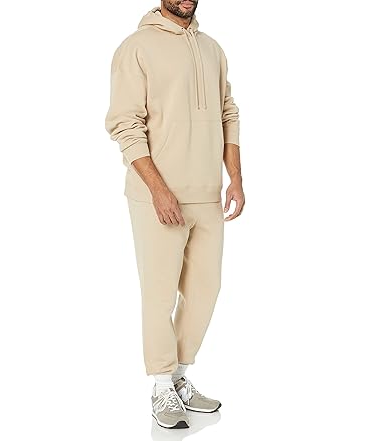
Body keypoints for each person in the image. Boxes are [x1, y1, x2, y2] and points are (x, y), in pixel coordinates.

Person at [105, 0, 244, 429]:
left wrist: (235, 178)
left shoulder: (212, 48)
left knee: (205, 290)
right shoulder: (136, 47)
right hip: (157, 196)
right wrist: (158, 189)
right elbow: (125, 124)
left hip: (206, 194)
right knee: (159, 294)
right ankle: (161, 385)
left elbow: (228, 111)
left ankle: (181, 376)